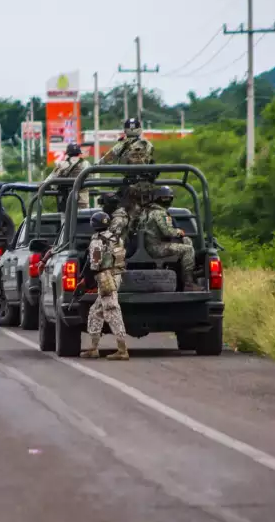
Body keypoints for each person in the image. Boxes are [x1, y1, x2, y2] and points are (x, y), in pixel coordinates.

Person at [80, 211, 130, 361]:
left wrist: (86, 279)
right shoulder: (116, 238)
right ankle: (93, 348)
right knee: (96, 311)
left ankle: (122, 349)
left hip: (105, 278)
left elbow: (95, 264)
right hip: (117, 275)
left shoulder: (97, 241)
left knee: (112, 310)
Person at [139, 186, 201, 291]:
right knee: (188, 249)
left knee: (186, 241)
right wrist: (179, 232)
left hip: (150, 246)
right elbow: (168, 232)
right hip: (156, 248)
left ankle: (185, 274)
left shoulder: (147, 211)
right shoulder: (160, 213)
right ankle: (188, 283)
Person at [45, 143, 91, 210]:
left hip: (66, 199)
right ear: (79, 153)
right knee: (83, 218)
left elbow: (51, 177)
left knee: (65, 219)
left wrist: (44, 184)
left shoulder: (62, 164)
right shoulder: (86, 164)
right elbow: (91, 177)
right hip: (82, 200)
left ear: (68, 153)